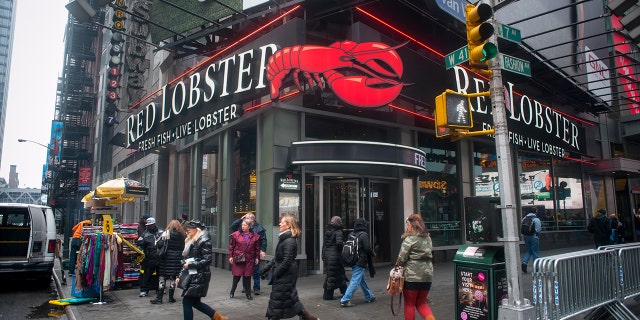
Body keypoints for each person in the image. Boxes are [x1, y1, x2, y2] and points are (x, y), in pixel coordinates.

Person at [261, 213, 319, 320]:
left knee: (279, 298)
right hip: (285, 274)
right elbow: (277, 258)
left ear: (288, 225)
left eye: (282, 222)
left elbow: (286, 260)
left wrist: (276, 273)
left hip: (286, 275)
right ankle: (307, 316)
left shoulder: (289, 241)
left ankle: (274, 316)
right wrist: (265, 268)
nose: (279, 224)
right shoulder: (284, 239)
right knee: (288, 297)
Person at [178, 220, 228, 320]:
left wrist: (191, 265)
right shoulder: (191, 240)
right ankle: (218, 317)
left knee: (187, 302)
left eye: (190, 228)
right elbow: (187, 260)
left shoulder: (204, 241)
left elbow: (207, 260)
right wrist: (180, 276)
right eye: (187, 228)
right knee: (195, 302)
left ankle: (218, 317)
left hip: (199, 275)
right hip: (192, 275)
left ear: (197, 229)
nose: (188, 230)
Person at [395, 214, 435, 320]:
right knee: (421, 303)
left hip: (412, 276)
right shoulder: (428, 238)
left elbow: (401, 258)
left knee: (409, 304)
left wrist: (397, 267)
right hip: (427, 275)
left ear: (410, 225)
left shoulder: (410, 239)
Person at [339, 218, 376, 307]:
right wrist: (373, 253)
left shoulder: (351, 234)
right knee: (355, 281)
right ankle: (345, 299)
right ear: (363, 225)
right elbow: (367, 248)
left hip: (352, 260)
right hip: (360, 260)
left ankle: (369, 296)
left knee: (362, 279)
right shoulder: (364, 235)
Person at [230, 212, 267, 295]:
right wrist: (240, 219)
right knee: (244, 271)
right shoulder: (241, 228)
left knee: (255, 271)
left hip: (253, 253)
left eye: (247, 218)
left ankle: (256, 288)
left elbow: (263, 240)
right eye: (245, 218)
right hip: (242, 254)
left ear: (252, 219)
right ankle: (245, 287)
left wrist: (262, 250)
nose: (245, 219)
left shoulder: (259, 228)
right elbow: (233, 227)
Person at [150, 219, 186, 304]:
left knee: (162, 278)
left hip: (166, 258)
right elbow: (183, 247)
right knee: (172, 278)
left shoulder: (166, 234)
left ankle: (159, 298)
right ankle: (171, 298)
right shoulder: (182, 235)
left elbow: (160, 244)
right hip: (176, 259)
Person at [228, 219, 260, 300]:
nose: (243, 227)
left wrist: (256, 257)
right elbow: (231, 246)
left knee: (247, 277)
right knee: (236, 277)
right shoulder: (236, 235)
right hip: (239, 259)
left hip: (249, 260)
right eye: (242, 225)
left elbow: (257, 248)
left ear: (249, 226)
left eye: (245, 225)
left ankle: (248, 294)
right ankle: (232, 291)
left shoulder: (255, 236)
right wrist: (231, 256)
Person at [322, 216, 348, 300]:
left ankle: (342, 291)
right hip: (335, 256)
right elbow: (339, 243)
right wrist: (343, 247)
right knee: (337, 274)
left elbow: (325, 244)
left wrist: (324, 254)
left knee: (332, 275)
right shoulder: (338, 231)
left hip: (328, 256)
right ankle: (329, 295)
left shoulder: (327, 231)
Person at [137, 217, 163, 297]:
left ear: (154, 224)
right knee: (147, 275)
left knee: (160, 275)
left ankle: (160, 289)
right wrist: (141, 252)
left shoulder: (161, 232)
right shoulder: (144, 234)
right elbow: (140, 245)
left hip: (160, 257)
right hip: (149, 258)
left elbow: (166, 242)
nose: (149, 226)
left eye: (151, 225)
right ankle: (144, 290)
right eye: (148, 225)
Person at [520, 210, 542, 274]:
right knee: (535, 252)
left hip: (526, 236)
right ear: (535, 212)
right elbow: (538, 229)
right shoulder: (536, 219)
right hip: (534, 237)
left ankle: (524, 262)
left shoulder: (524, 218)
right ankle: (536, 267)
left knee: (528, 251)